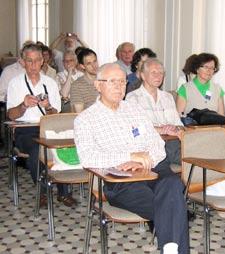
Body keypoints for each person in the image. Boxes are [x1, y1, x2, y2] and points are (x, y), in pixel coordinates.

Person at [74, 63, 189, 254]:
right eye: (113, 82)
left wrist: (145, 161)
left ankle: (169, 248)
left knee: (173, 185)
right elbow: (88, 157)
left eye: (123, 82)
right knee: (174, 205)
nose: (120, 87)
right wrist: (129, 157)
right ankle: (173, 248)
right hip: (120, 178)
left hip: (153, 169)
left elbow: (157, 144)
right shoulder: (85, 119)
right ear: (98, 85)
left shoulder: (135, 110)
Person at [7, 44, 76, 207]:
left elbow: (54, 115)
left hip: (48, 127)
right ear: (23, 62)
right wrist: (23, 105)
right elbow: (11, 115)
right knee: (37, 151)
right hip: (25, 130)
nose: (33, 65)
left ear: (42, 61)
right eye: (29, 61)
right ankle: (43, 192)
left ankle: (63, 192)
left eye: (37, 60)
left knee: (61, 148)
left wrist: (48, 107)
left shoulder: (50, 83)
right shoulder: (15, 83)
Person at [126, 58, 183, 165]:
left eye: (161, 73)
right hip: (151, 146)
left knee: (204, 157)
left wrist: (175, 129)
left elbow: (179, 125)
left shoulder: (168, 97)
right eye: (154, 72)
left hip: (173, 144)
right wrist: (161, 130)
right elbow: (134, 131)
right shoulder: (133, 97)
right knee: (198, 163)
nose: (158, 76)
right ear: (143, 75)